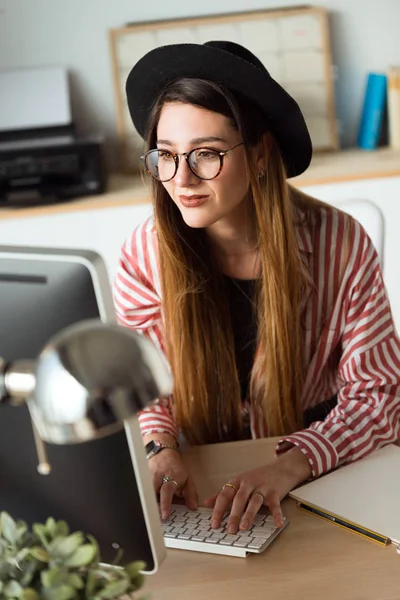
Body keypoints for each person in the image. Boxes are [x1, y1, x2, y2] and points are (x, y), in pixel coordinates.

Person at [113, 40, 400, 536]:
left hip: (317, 471)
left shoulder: (342, 242)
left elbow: (379, 396)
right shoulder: (144, 253)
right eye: (166, 156)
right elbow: (141, 383)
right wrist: (158, 448)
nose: (181, 179)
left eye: (206, 154)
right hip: (200, 479)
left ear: (262, 154)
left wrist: (290, 466)